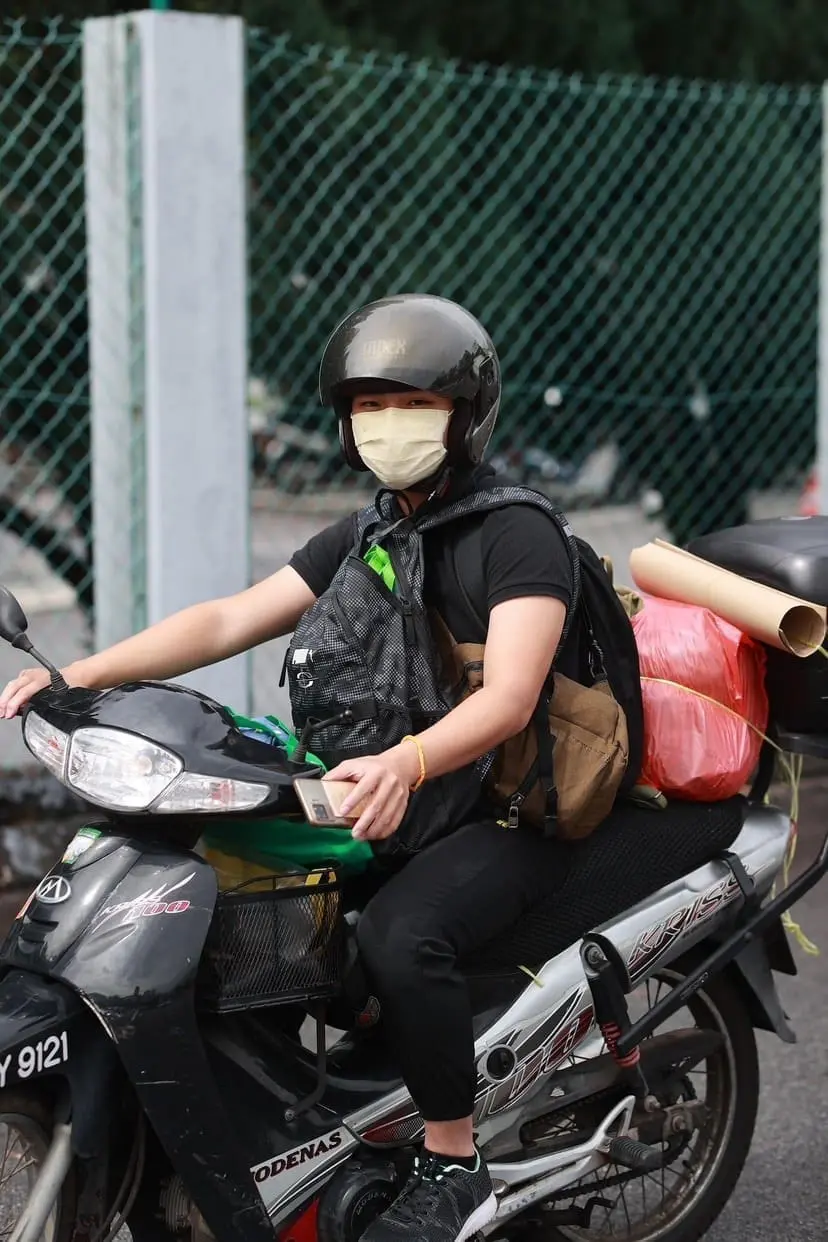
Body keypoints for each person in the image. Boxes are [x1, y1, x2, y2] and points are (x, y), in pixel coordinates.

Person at [0, 294, 589, 1242]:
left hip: (510, 807)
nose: (386, 426)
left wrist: (407, 759)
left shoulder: (517, 534)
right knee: (243, 894)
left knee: (401, 935)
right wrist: (76, 674)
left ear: (465, 413)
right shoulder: (372, 534)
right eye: (368, 407)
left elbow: (511, 697)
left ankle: (453, 1159)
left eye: (412, 405)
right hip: (404, 794)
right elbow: (229, 620)